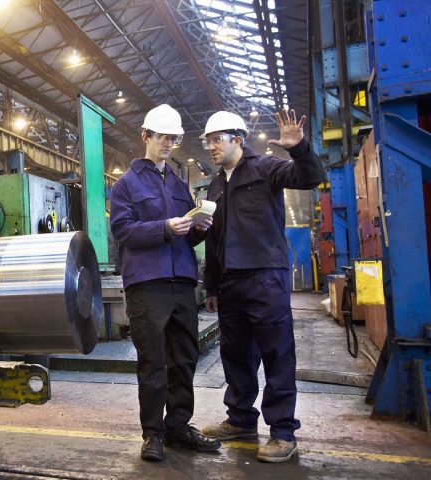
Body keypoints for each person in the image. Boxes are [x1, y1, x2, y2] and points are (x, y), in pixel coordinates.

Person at [199, 109, 325, 463]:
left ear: (237, 140)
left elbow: (310, 177)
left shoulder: (265, 168)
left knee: (276, 354)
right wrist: (211, 286)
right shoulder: (215, 184)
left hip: (266, 277)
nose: (211, 147)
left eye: (216, 140)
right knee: (235, 356)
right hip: (230, 282)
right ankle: (240, 419)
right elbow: (213, 238)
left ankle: (283, 432)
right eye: (208, 141)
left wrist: (298, 148)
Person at [109, 104, 220, 462]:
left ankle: (178, 427)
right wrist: (164, 228)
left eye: (174, 139)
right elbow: (123, 230)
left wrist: (198, 227)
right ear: (146, 137)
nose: (169, 144)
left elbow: (186, 237)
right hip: (147, 284)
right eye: (163, 138)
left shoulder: (177, 183)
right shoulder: (126, 185)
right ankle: (152, 434)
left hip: (182, 282)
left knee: (185, 358)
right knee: (153, 362)